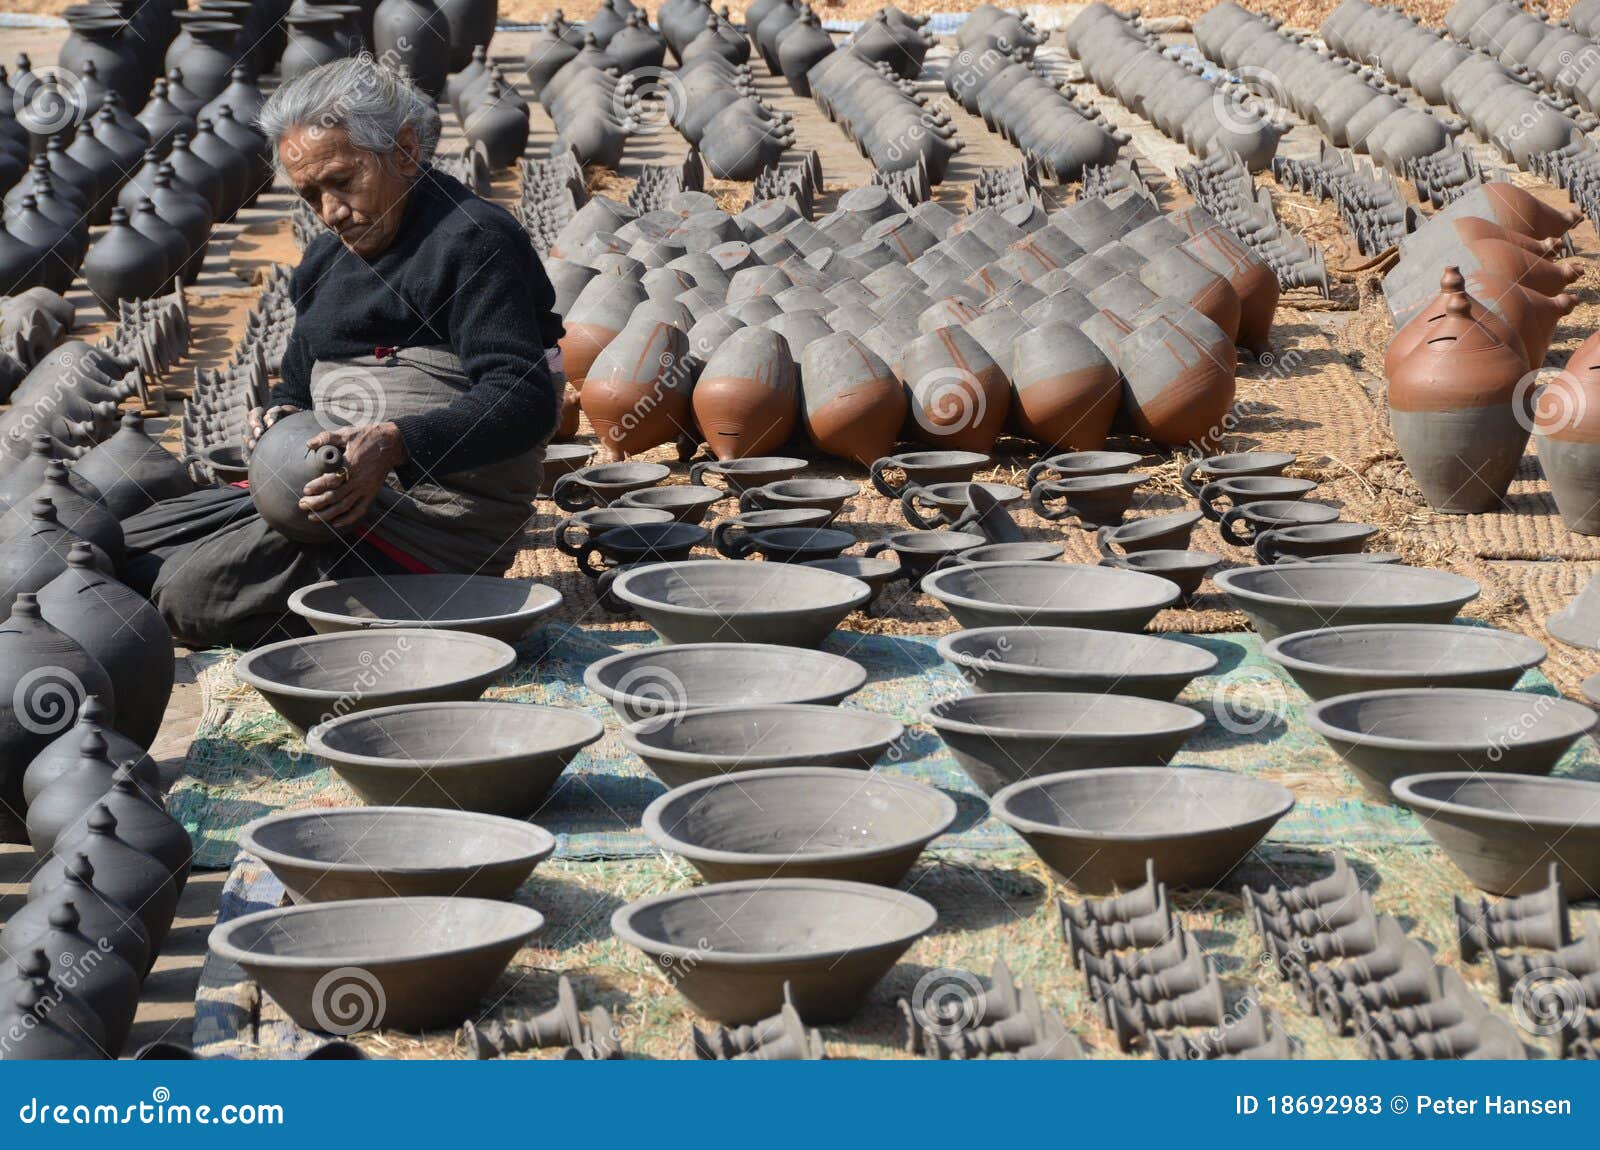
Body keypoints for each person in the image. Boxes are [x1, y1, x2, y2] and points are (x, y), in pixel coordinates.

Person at [123, 56, 565, 648]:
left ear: (404, 152)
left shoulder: (472, 242)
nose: (330, 212)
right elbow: (295, 387)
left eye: (342, 181)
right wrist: (277, 417)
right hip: (328, 500)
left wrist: (397, 443)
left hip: (427, 525)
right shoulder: (327, 261)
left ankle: (412, 609)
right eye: (310, 194)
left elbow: (524, 397)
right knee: (129, 544)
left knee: (190, 596)